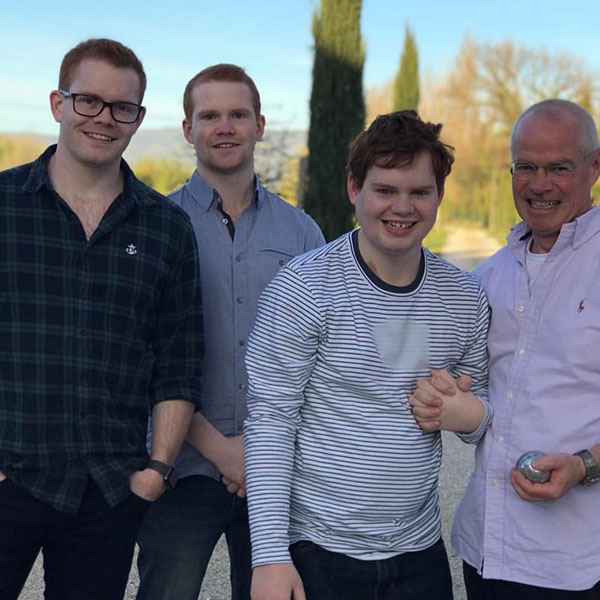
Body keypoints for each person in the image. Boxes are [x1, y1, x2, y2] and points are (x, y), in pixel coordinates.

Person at [243, 110, 493, 600]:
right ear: (355, 188)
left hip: (420, 551)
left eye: (420, 191)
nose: (402, 207)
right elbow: (271, 421)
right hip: (319, 551)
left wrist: (471, 415)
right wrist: (270, 556)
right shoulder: (304, 287)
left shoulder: (465, 297)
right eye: (385, 189)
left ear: (439, 195)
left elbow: (481, 413)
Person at [0, 38, 203, 600]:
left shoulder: (166, 227)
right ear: (57, 103)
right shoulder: (4, 206)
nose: (105, 119)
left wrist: (156, 470)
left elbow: (179, 360)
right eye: (88, 100)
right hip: (9, 476)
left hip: (109, 490)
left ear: (138, 117)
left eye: (123, 107)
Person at [136, 64, 324, 600]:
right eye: (210, 115)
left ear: (260, 125)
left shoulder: (302, 231)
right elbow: (146, 353)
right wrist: (222, 450)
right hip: (179, 466)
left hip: (281, 470)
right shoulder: (155, 224)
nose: (225, 126)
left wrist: (258, 453)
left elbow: (319, 350)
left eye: (237, 114)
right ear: (188, 128)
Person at [410, 99, 600, 599]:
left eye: (559, 167)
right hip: (486, 552)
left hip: (577, 562)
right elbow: (424, 360)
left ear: (595, 167)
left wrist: (586, 465)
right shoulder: (489, 275)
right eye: (526, 167)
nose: (540, 184)